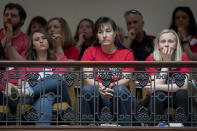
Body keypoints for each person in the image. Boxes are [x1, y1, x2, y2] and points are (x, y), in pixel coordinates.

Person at [6, 29, 71, 125]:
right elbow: (22, 82)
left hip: (59, 96)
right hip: (35, 98)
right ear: (33, 45)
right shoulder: (26, 63)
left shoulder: (60, 59)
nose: (41, 41)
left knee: (56, 78)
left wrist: (29, 88)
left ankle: (29, 91)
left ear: (48, 41)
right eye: (37, 39)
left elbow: (61, 79)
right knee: (45, 97)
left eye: (44, 38)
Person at [81, 17, 134, 125]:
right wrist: (101, 88)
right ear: (97, 35)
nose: (104, 35)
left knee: (119, 90)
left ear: (115, 33)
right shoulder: (90, 52)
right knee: (87, 90)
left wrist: (109, 87)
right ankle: (88, 127)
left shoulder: (127, 53)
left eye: (108, 31)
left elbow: (126, 78)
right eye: (100, 32)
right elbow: (88, 77)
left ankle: (125, 127)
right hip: (97, 94)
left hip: (118, 96)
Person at [144, 29, 189, 125]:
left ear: (176, 45)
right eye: (163, 41)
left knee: (182, 93)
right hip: (157, 97)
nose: (167, 44)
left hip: (176, 96)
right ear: (158, 45)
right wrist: (166, 62)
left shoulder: (183, 57)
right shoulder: (151, 58)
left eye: (171, 41)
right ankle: (154, 126)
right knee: (158, 94)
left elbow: (184, 85)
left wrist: (156, 86)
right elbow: (154, 89)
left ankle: (182, 126)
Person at [169, 6, 197, 83]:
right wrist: (177, 40)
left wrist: (184, 40)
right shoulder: (168, 37)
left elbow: (191, 57)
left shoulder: (195, 37)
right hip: (175, 74)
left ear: (190, 20)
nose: (181, 20)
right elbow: (173, 58)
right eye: (177, 18)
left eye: (184, 17)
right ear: (174, 21)